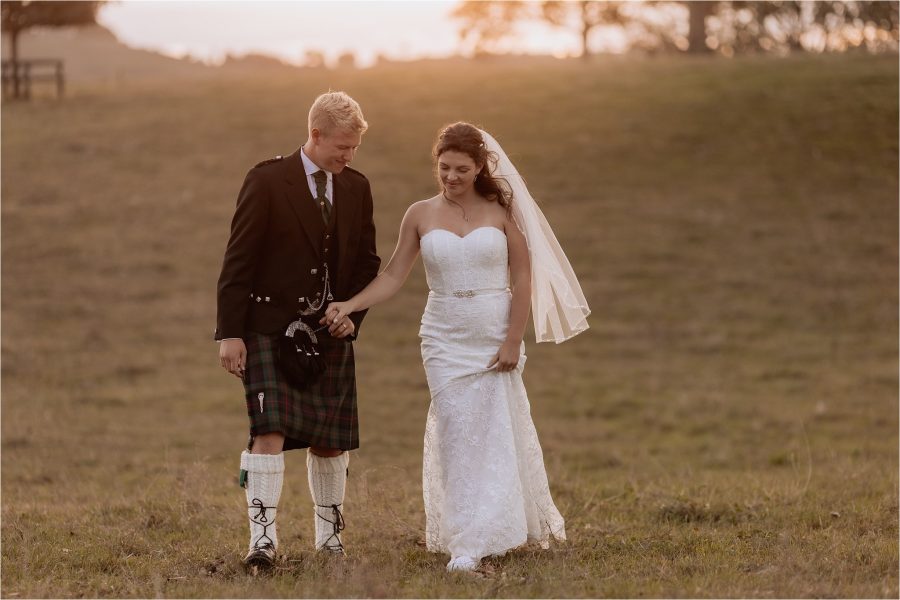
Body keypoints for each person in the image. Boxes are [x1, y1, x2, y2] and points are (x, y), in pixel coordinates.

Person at [325, 122, 590, 572]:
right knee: (456, 430)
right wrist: (350, 304)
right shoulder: (420, 214)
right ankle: (466, 539)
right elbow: (392, 276)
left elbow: (522, 277)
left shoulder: (503, 210)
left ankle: (495, 529)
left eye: (461, 169)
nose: (450, 177)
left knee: (494, 429)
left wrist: (513, 339)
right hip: (443, 337)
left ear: (480, 167)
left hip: (493, 332)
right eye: (444, 167)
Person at [215, 91, 381, 569]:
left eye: (354, 148)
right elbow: (238, 260)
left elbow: (367, 260)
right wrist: (230, 332)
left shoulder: (356, 186)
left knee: (330, 438)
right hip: (269, 328)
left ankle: (330, 542)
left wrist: (352, 315)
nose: (348, 156)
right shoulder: (268, 180)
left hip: (329, 333)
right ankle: (262, 543)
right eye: (342, 147)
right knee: (268, 432)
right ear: (315, 134)